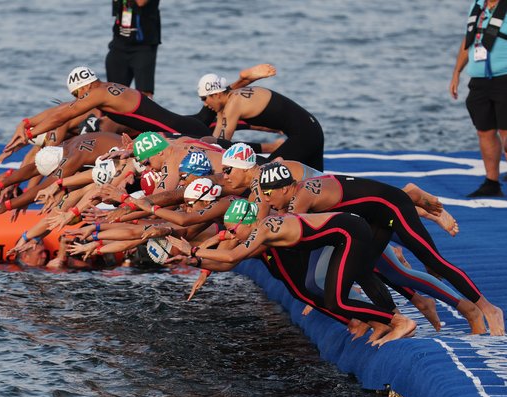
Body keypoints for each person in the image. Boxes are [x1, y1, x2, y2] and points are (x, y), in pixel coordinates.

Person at [276, 170, 505, 336]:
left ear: (285, 188)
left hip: (392, 207)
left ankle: (489, 309)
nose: (267, 201)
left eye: (268, 195)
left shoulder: (300, 199)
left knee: (434, 261)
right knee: (363, 269)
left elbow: (296, 234)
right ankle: (393, 319)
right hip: (372, 216)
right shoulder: (293, 193)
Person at [168, 199, 417, 346]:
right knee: (315, 291)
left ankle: (397, 321)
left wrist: (194, 251)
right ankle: (376, 322)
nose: (231, 235)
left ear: (247, 221)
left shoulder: (263, 230)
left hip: (346, 233)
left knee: (332, 295)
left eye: (233, 230)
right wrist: (195, 259)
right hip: (332, 240)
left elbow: (232, 256)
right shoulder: (254, 230)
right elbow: (228, 256)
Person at [4, 66, 210, 153]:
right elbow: (64, 109)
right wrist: (27, 122)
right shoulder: (104, 90)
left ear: (83, 87)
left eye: (77, 95)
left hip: (186, 133)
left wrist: (29, 134)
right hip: (183, 128)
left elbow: (63, 115)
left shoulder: (97, 94)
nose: (78, 100)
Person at [198, 73, 325, 171]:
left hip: (305, 135)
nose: (205, 104)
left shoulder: (233, 105)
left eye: (204, 98)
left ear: (217, 94)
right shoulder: (234, 98)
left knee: (265, 173)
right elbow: (216, 140)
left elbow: (221, 144)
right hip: (312, 129)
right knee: (315, 178)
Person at [450, 0, 507, 197]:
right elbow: (469, 40)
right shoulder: (478, 5)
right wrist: (457, 72)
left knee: (506, 133)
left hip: (504, 79)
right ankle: (492, 182)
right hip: (479, 82)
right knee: (485, 131)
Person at [106, 0, 161, 99]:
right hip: (119, 42)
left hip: (144, 45)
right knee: (113, 93)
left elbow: (141, 2)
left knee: (145, 94)